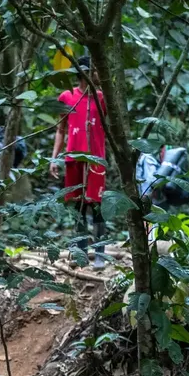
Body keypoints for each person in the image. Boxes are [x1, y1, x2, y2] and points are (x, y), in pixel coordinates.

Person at [51, 55, 109, 269]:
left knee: (97, 206)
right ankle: (81, 254)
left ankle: (100, 254)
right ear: (85, 73)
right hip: (74, 159)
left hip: (95, 160)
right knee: (78, 207)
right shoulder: (66, 97)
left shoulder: (102, 97)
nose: (97, 74)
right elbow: (60, 129)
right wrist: (54, 158)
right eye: (94, 71)